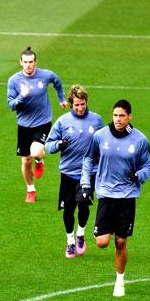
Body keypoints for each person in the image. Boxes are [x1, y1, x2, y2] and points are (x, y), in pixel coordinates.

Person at [80, 100, 150, 297]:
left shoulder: (140, 140)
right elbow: (88, 159)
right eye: (115, 115)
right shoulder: (100, 136)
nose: (118, 119)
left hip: (127, 196)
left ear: (129, 116)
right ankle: (109, 229)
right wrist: (85, 185)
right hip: (105, 193)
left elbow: (148, 166)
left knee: (121, 242)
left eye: (122, 116)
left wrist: (139, 176)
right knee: (102, 242)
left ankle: (120, 280)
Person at [45, 84, 104, 258]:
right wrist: (58, 144)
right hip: (68, 173)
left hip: (88, 173)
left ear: (86, 102)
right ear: (71, 104)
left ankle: (81, 232)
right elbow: (48, 145)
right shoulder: (63, 122)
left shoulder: (96, 120)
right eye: (76, 105)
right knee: (68, 209)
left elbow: (103, 143)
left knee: (84, 204)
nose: (80, 108)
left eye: (82, 104)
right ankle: (70, 240)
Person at [7, 46, 67, 203]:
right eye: (25, 62)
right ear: (20, 62)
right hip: (23, 125)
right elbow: (11, 105)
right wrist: (22, 96)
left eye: (31, 62)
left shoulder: (45, 75)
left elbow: (57, 81)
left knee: (35, 153)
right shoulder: (14, 81)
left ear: (35, 62)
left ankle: (39, 161)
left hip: (43, 122)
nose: (28, 65)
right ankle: (30, 189)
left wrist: (61, 99)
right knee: (26, 161)